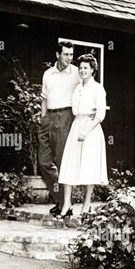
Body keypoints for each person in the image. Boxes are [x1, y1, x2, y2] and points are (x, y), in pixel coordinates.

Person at [57, 54, 108, 219]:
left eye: (86, 68)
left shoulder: (98, 88)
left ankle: (86, 205)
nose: (82, 70)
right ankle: (66, 205)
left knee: (89, 166)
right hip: (77, 125)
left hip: (91, 129)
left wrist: (86, 131)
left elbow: (100, 114)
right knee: (69, 164)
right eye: (80, 68)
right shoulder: (78, 88)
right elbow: (74, 110)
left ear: (93, 70)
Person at [38, 41, 80, 216]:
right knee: (43, 162)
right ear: (58, 55)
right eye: (65, 54)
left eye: (71, 54)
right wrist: (42, 117)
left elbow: (87, 91)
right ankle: (61, 199)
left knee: (64, 162)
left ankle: (64, 204)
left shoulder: (77, 73)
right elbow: (44, 98)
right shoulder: (48, 74)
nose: (69, 58)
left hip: (66, 116)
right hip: (49, 117)